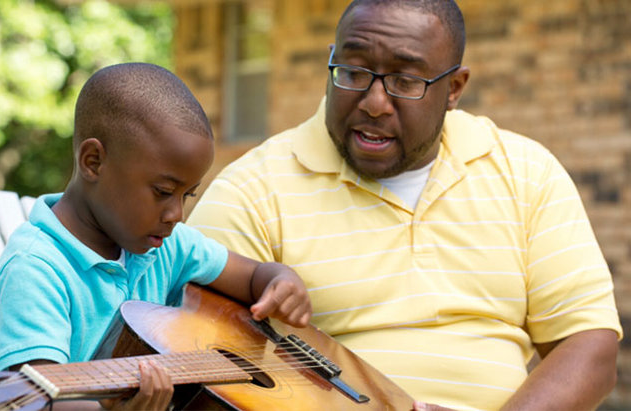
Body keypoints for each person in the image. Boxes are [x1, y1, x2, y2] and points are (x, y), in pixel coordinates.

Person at [186, 1, 622, 410]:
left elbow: (587, 343)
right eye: (354, 71)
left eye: (405, 81)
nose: (374, 103)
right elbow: (192, 349)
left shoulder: (527, 173)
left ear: (454, 88)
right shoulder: (252, 189)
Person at [0, 63, 312, 411]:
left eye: (187, 195)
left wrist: (279, 278)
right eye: (163, 191)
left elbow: (251, 277)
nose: (176, 215)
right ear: (93, 162)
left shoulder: (167, 246)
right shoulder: (35, 270)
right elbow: (34, 400)